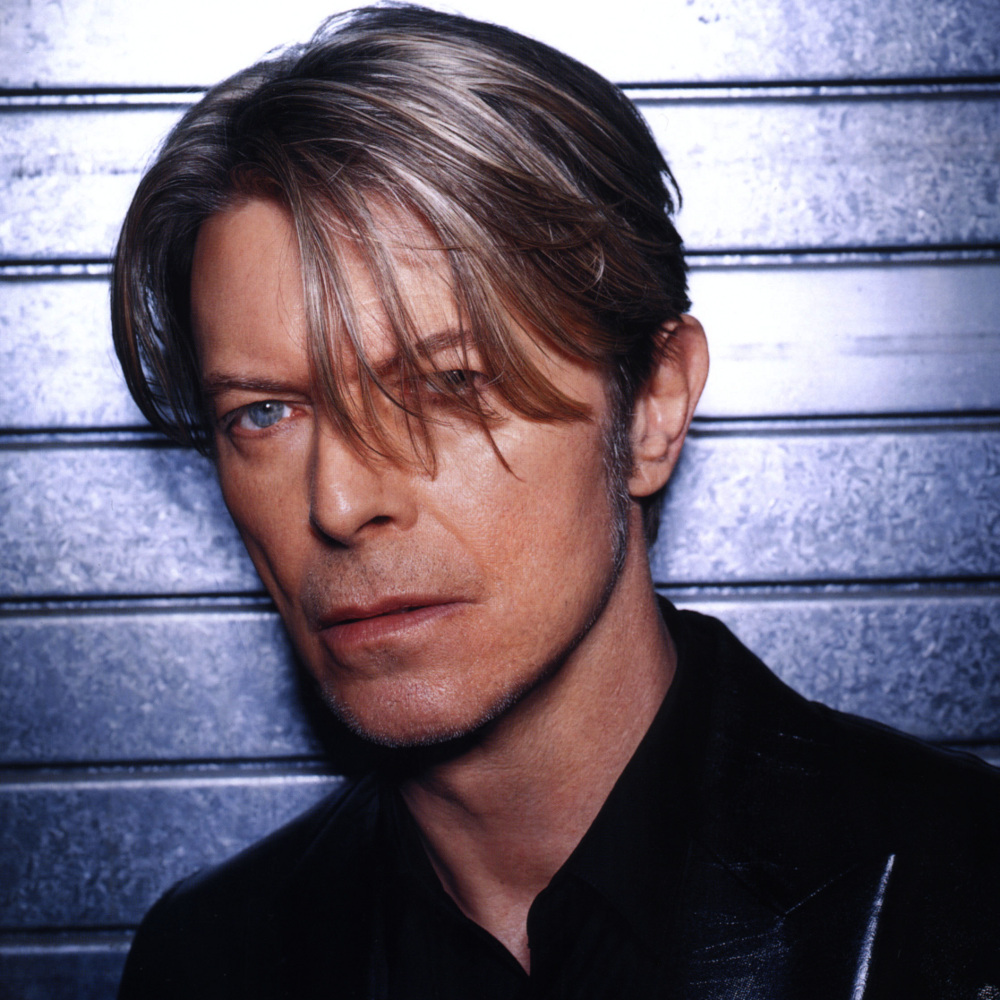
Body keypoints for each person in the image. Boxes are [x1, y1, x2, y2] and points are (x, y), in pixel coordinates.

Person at [112, 6, 1000, 997]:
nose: (341, 500)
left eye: (446, 383)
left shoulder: (965, 893)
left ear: (652, 406)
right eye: (264, 412)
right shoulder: (210, 960)